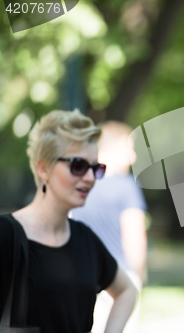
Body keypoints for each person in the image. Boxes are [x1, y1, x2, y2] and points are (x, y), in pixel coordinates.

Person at [0, 110, 137, 333]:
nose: (90, 178)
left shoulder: (85, 238)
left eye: (96, 168)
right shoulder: (6, 234)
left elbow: (126, 290)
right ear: (43, 168)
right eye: (78, 165)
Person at [71, 120, 148, 333]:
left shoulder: (79, 186)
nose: (133, 157)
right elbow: (134, 236)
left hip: (83, 275)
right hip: (120, 277)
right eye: (128, 149)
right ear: (112, 148)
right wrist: (138, 276)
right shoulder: (126, 186)